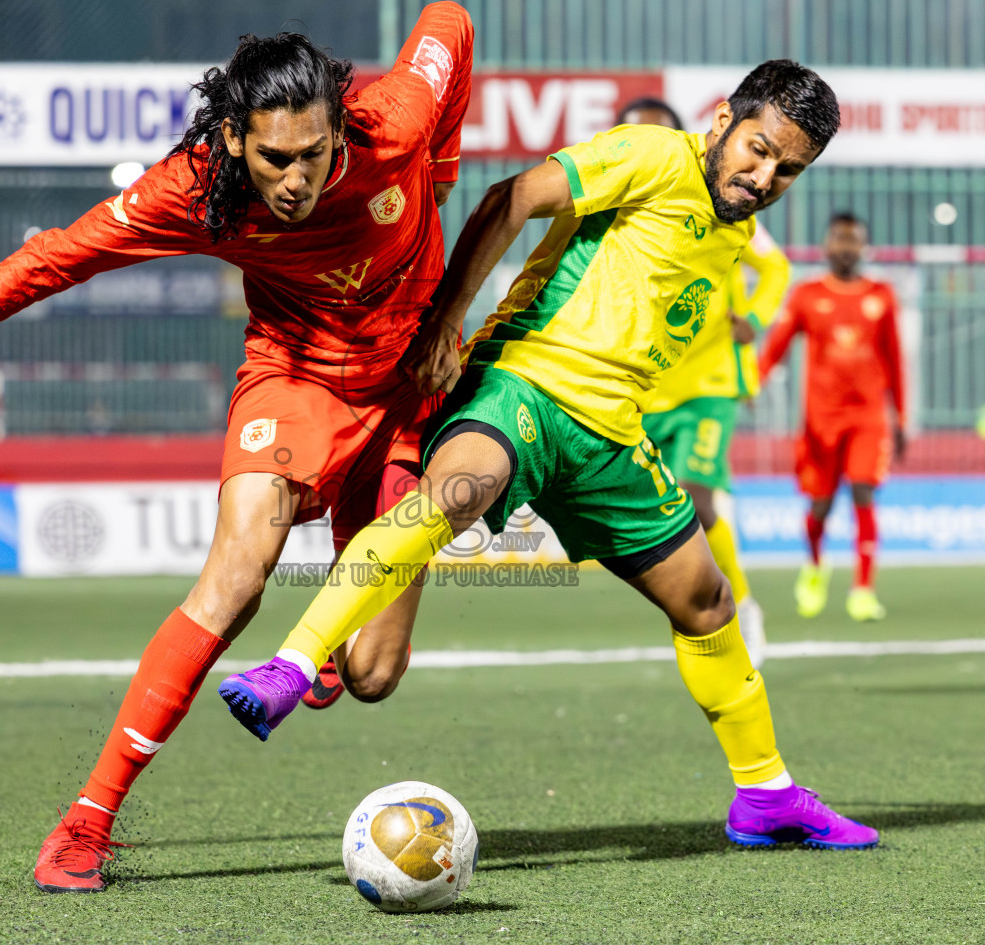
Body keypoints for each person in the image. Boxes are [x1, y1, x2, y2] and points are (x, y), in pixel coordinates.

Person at [0, 2, 476, 892]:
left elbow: (449, 23)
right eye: (275, 158)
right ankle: (86, 824)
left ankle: (334, 639)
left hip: (408, 390)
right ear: (233, 140)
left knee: (374, 673)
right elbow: (54, 259)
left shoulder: (396, 122)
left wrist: (441, 174)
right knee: (234, 579)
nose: (298, 178)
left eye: (314, 153)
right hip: (295, 377)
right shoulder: (192, 190)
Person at [224, 61, 881, 850]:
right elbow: (513, 199)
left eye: (787, 169)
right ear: (721, 119)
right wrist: (446, 322)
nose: (765, 174)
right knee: (456, 495)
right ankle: (290, 667)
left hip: (610, 433)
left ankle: (766, 795)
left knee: (706, 603)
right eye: (758, 148)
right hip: (525, 383)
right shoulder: (652, 155)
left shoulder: (736, 227)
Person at [620, 97, 792, 667]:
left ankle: (739, 604)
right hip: (644, 386)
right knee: (656, 511)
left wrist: (757, 319)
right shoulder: (619, 207)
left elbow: (775, 268)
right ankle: (701, 603)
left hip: (710, 384)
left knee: (696, 497)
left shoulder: (724, 201)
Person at [757, 213, 906, 622]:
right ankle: (815, 565)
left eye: (853, 240)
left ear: (864, 246)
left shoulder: (882, 296)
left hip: (868, 417)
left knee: (863, 491)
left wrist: (902, 418)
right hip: (820, 421)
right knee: (819, 505)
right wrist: (752, 381)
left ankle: (862, 588)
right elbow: (777, 346)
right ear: (826, 246)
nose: (845, 247)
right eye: (839, 239)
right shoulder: (806, 295)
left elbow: (895, 360)